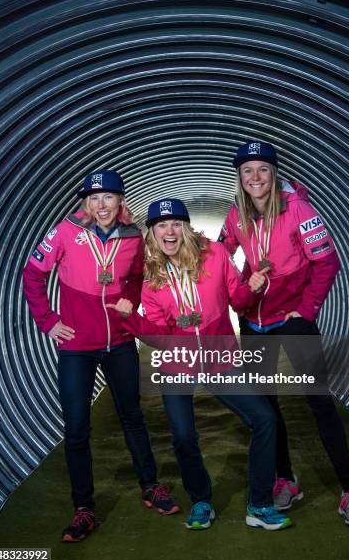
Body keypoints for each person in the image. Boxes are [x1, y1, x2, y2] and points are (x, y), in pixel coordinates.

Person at [107, 198, 292, 531]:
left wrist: (252, 290)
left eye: (176, 223)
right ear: (152, 233)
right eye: (162, 225)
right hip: (178, 363)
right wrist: (131, 320)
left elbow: (237, 300)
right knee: (183, 436)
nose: (170, 231)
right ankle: (202, 501)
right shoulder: (152, 278)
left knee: (264, 418)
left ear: (187, 227)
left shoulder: (216, 254)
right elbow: (161, 335)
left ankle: (260, 505)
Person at [218, 140, 349, 528]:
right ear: (239, 177)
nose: (256, 177)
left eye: (263, 170)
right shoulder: (236, 215)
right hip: (254, 324)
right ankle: (286, 480)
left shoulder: (298, 209)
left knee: (317, 400)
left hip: (293, 319)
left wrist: (305, 311)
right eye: (248, 171)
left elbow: (327, 262)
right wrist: (239, 288)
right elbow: (220, 257)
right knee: (266, 405)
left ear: (274, 174)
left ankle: (348, 491)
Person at [23, 170, 179, 543]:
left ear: (120, 200)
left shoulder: (133, 238)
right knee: (77, 428)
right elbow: (32, 275)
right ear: (86, 203)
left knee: (132, 416)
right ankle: (84, 509)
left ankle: (150, 486)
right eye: (94, 199)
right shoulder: (63, 232)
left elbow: (139, 278)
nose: (101, 205)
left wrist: (133, 301)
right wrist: (48, 321)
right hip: (77, 346)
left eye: (108, 197)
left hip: (121, 341)